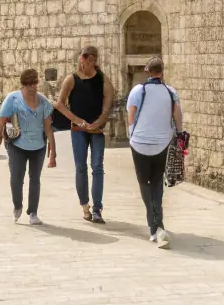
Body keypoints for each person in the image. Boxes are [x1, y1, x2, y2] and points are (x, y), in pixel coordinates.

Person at [126, 56, 183, 248]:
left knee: (144, 183)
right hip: (162, 143)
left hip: (139, 143)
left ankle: (154, 226)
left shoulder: (137, 91)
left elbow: (131, 117)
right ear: (162, 71)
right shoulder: (170, 92)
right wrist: (179, 134)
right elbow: (177, 116)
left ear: (147, 71)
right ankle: (158, 224)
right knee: (157, 182)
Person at [55, 45, 114, 223]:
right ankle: (85, 205)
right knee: (81, 167)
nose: (90, 65)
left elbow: (108, 100)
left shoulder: (102, 79)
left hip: (96, 130)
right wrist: (78, 120)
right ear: (82, 60)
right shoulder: (71, 80)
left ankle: (97, 209)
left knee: (97, 167)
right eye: (87, 61)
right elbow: (60, 104)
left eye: (92, 62)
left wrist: (99, 121)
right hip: (78, 130)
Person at [0, 68, 56, 225]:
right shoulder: (13, 99)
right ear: (23, 85)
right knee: (16, 178)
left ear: (37, 82)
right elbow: (2, 119)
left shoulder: (43, 102)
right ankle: (17, 206)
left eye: (34, 83)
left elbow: (48, 127)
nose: (32, 87)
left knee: (35, 179)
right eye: (28, 84)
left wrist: (53, 151)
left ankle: (33, 213)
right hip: (17, 145)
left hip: (39, 146)